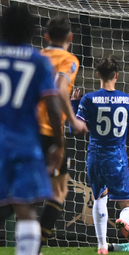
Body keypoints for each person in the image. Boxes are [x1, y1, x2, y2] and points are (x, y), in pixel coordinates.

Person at [0, 6, 63, 255]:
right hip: (26, 144)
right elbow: (53, 106)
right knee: (26, 207)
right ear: (32, 31)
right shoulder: (38, 61)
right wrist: (58, 143)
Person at [71, 55, 129, 254]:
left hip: (95, 157)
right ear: (116, 75)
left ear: (97, 75)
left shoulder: (88, 99)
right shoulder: (126, 99)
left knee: (99, 199)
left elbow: (74, 130)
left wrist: (74, 104)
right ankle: (123, 221)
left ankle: (102, 246)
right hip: (117, 158)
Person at [37, 16, 88, 247]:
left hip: (26, 131)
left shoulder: (36, 56)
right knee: (59, 192)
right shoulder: (69, 59)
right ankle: (35, 246)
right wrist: (75, 121)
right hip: (49, 132)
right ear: (70, 37)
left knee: (17, 195)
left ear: (46, 36)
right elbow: (59, 89)